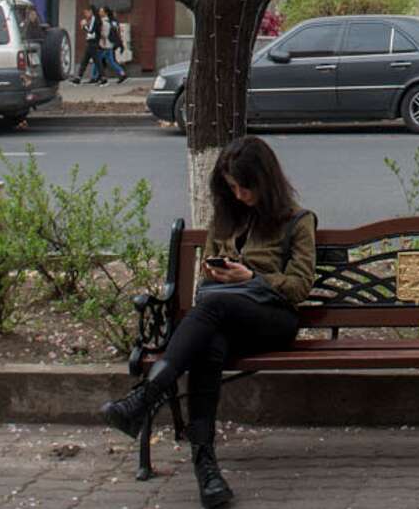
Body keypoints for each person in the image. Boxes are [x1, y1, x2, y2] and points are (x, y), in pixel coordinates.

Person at [99, 137, 316, 508]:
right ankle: (207, 471)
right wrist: (215, 274)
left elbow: (299, 286)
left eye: (245, 186)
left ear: (267, 181)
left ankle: (145, 399)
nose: (240, 194)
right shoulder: (226, 218)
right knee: (208, 348)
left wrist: (250, 277)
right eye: (232, 187)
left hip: (273, 320)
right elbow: (208, 278)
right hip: (223, 317)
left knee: (209, 316)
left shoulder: (298, 220)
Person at [93, 6, 128, 84]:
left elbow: (103, 33)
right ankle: (122, 73)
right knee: (110, 61)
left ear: (105, 13)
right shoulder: (113, 21)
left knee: (97, 60)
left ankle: (95, 77)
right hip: (111, 43)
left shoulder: (104, 21)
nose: (99, 12)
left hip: (105, 44)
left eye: (101, 11)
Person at [71, 8, 100, 83]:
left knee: (97, 61)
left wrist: (84, 26)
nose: (85, 15)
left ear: (90, 12)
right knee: (85, 61)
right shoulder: (90, 20)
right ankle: (78, 77)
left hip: (93, 43)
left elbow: (91, 31)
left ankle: (102, 77)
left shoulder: (94, 20)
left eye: (86, 13)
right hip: (90, 43)